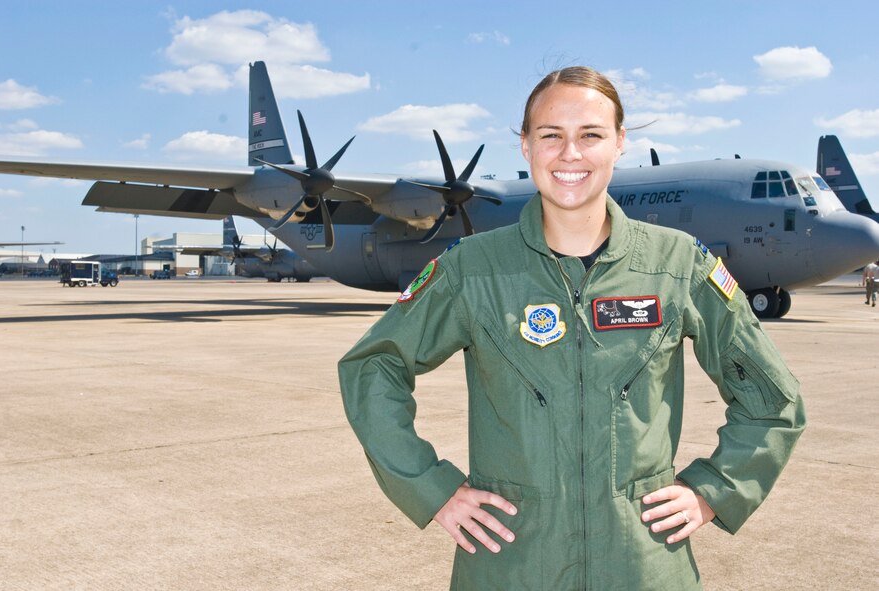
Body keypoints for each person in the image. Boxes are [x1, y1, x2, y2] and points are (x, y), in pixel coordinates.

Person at [338, 67, 806, 590]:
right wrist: (431, 487)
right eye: (551, 135)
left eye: (591, 134)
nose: (570, 154)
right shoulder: (472, 269)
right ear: (525, 145)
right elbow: (373, 366)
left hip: (644, 565)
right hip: (512, 565)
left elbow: (773, 399)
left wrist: (716, 489)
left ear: (619, 142)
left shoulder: (677, 265)